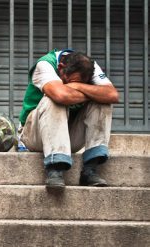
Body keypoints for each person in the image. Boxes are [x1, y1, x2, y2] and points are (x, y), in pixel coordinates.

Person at [19, 49, 119, 189]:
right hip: (34, 136)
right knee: (54, 99)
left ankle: (90, 169)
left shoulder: (91, 67)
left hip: (68, 136)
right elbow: (61, 95)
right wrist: (92, 92)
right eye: (70, 81)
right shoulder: (45, 64)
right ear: (61, 68)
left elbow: (112, 95)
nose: (72, 85)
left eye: (80, 83)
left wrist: (76, 86)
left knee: (103, 103)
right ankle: (55, 169)